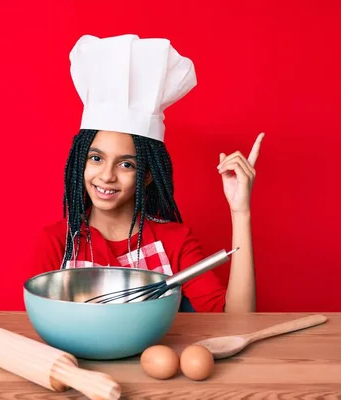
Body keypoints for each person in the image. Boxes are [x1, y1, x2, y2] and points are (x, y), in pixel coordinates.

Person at [30, 34, 264, 314]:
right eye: (96, 158)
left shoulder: (174, 241)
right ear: (80, 162)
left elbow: (238, 320)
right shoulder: (57, 242)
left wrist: (241, 212)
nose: (106, 176)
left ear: (148, 175)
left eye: (126, 164)